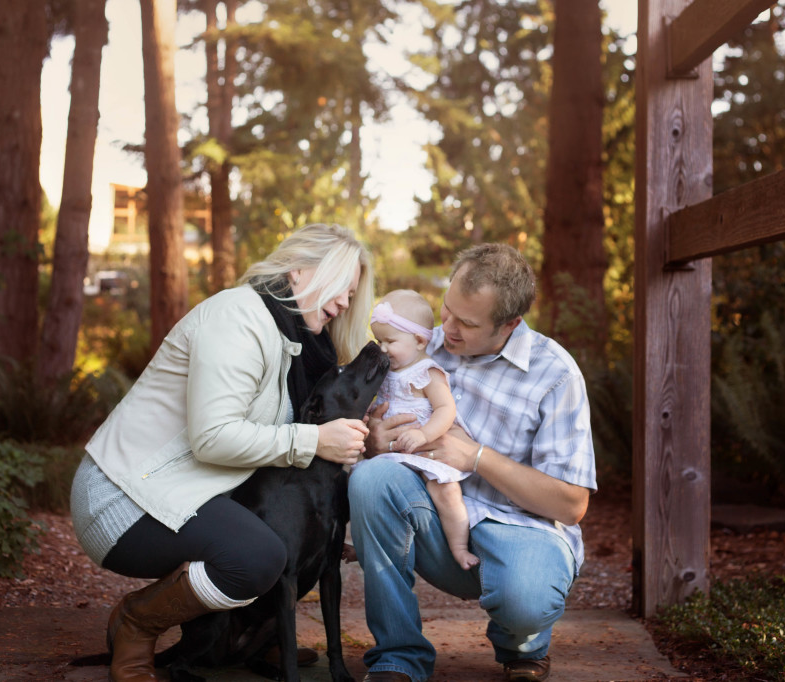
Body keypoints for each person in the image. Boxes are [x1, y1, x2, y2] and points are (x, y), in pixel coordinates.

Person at [69, 223, 375, 682]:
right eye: (341, 287)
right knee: (256, 557)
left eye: (353, 294)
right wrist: (313, 440)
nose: (347, 303)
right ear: (297, 272)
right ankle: (138, 621)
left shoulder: (296, 343)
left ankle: (255, 637)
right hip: (124, 497)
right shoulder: (240, 318)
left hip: (186, 492)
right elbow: (213, 437)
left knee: (301, 544)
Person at [349, 244, 597, 682]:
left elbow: (571, 504)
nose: (447, 329)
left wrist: (476, 457)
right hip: (436, 521)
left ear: (510, 324)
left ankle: (523, 644)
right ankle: (397, 656)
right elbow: (375, 427)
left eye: (466, 323)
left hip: (522, 529)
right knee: (371, 479)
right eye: (447, 311)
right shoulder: (423, 345)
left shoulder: (555, 374)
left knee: (525, 601)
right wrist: (377, 441)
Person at [367, 289, 477, 570]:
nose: (382, 348)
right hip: (393, 454)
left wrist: (424, 434)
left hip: (425, 451)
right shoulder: (385, 370)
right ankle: (369, 541)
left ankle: (459, 547)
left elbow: (446, 410)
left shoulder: (428, 372)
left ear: (418, 340)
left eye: (389, 341)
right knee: (366, 488)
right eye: (379, 340)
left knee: (447, 491)